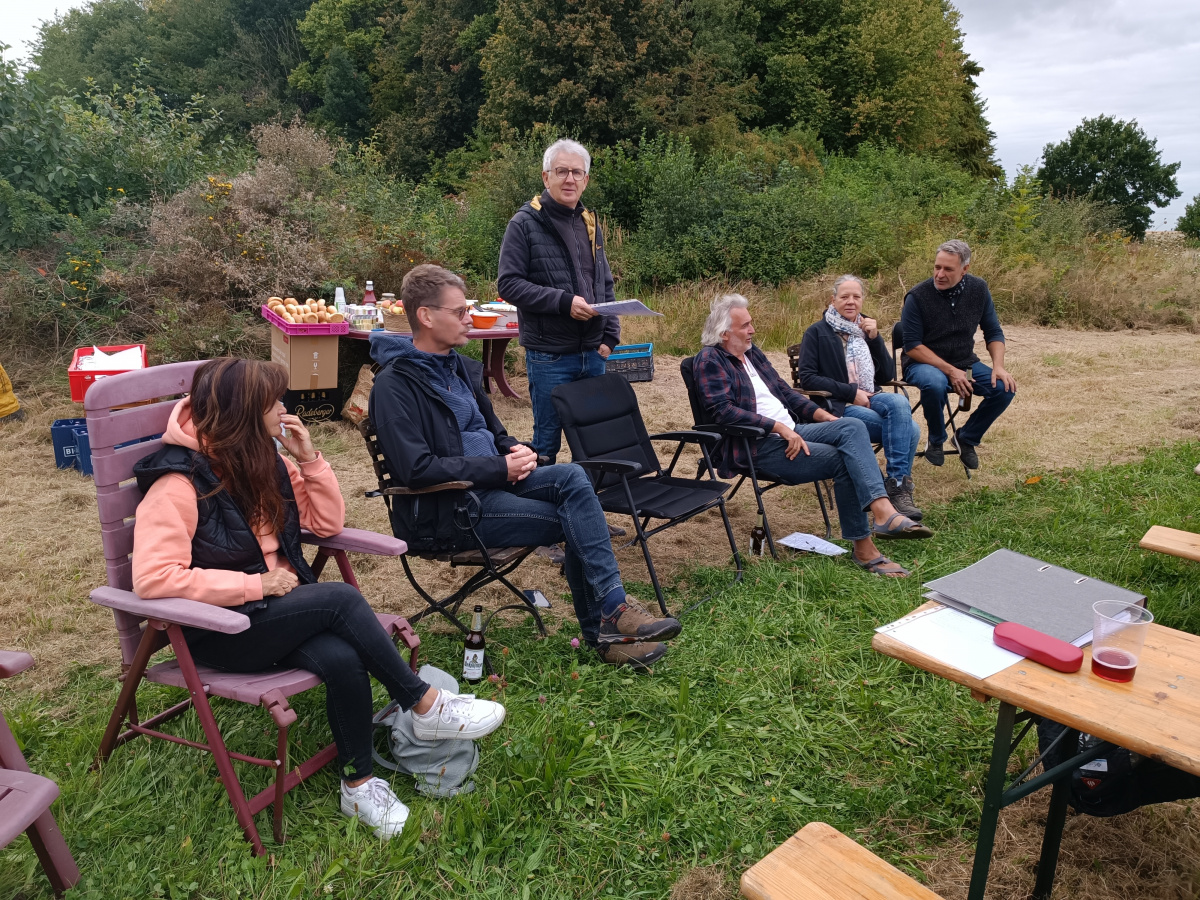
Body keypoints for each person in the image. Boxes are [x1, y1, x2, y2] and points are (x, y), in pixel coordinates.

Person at [131, 358, 506, 840]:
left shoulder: (264, 461)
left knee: (342, 656)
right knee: (339, 600)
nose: (283, 408)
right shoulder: (178, 484)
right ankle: (423, 704)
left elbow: (326, 525)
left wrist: (309, 460)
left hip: (273, 615)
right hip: (219, 630)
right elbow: (153, 579)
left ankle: (358, 784)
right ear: (244, 414)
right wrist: (254, 587)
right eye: (272, 402)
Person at [369, 264, 680, 669]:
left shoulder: (457, 368)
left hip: (493, 488)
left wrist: (516, 451)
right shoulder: (394, 385)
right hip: (452, 510)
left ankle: (612, 611)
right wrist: (500, 467)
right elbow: (416, 469)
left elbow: (494, 432)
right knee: (578, 519)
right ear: (426, 316)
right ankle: (606, 632)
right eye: (460, 311)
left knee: (573, 476)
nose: (469, 318)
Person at [695, 294, 933, 578]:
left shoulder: (751, 353)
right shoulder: (710, 359)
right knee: (843, 460)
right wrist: (779, 428)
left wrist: (827, 419)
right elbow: (723, 412)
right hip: (757, 445)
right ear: (724, 333)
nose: (752, 330)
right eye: (745, 326)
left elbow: (786, 394)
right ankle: (867, 544)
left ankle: (882, 513)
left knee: (851, 427)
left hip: (794, 431)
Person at [497, 138, 621, 464]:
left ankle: (592, 495)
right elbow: (509, 284)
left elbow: (603, 282)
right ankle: (544, 496)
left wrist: (610, 336)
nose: (569, 179)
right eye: (561, 171)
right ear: (546, 176)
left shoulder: (588, 223)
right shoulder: (524, 223)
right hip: (549, 356)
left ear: (586, 179)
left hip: (593, 353)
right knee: (546, 445)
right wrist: (564, 302)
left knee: (598, 441)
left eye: (577, 172)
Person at [798, 275, 922, 520]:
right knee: (913, 430)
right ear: (833, 300)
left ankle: (897, 485)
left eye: (856, 296)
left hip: (871, 396)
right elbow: (808, 378)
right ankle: (892, 493)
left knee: (899, 401)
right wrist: (850, 392)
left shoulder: (865, 331)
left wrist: (875, 340)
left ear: (862, 299)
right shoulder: (817, 332)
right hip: (838, 405)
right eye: (844, 296)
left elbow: (887, 375)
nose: (851, 301)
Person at [901, 240, 1016, 469]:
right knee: (934, 383)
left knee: (1004, 388)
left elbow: (993, 331)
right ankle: (936, 440)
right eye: (937, 267)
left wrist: (998, 367)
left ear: (964, 269)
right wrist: (951, 371)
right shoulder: (917, 296)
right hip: (921, 364)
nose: (939, 274)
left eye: (948, 269)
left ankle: (966, 438)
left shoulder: (979, 289)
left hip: (965, 362)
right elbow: (912, 346)